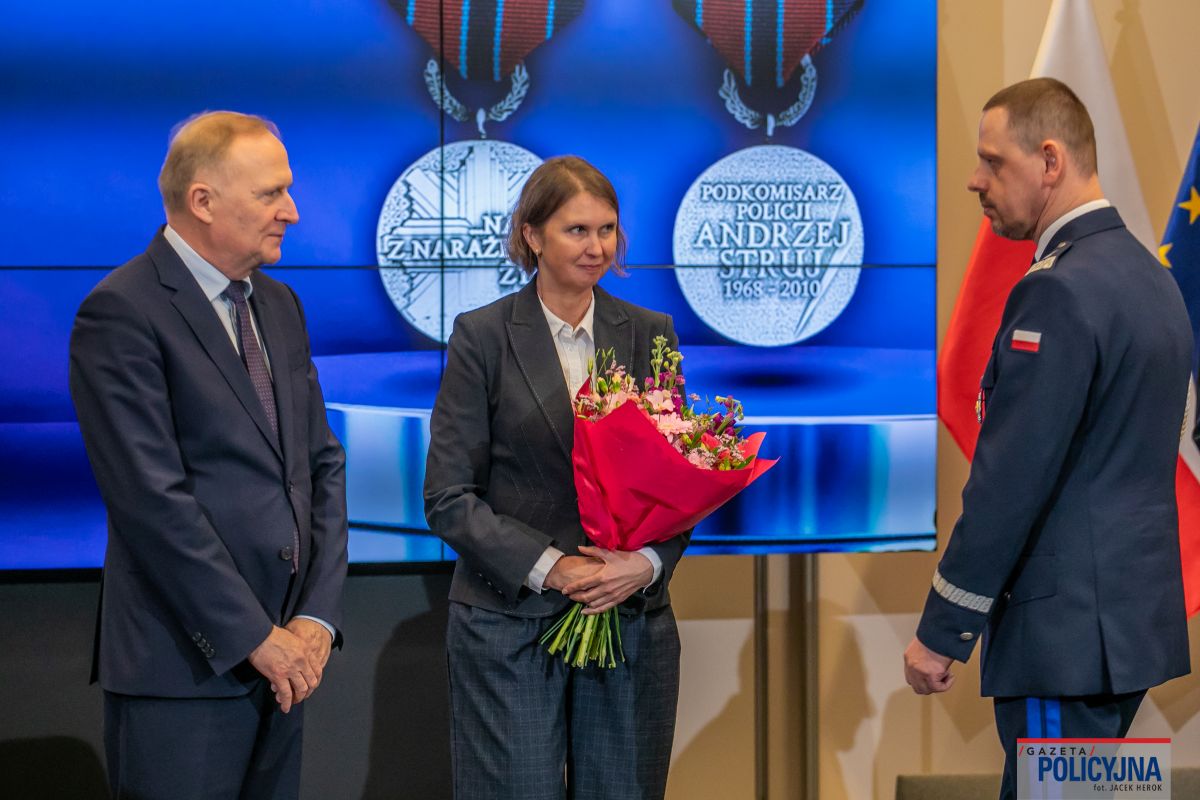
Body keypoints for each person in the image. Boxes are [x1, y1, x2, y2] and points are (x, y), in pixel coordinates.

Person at [903, 77, 1193, 798]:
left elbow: (1011, 480)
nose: (975, 180)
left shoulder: (1056, 289)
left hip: (1063, 639)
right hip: (1121, 633)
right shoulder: (1148, 276)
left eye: (993, 161)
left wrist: (943, 630)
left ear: (1051, 161)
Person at [69, 111, 348, 799]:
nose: (292, 211)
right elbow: (150, 502)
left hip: (289, 664)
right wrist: (255, 636)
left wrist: (315, 617)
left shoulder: (279, 305)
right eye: (271, 193)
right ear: (202, 201)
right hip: (184, 670)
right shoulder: (122, 311)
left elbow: (320, 466)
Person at [424, 155, 689, 799]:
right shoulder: (481, 336)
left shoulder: (651, 333)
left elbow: (684, 481)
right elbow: (449, 497)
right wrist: (553, 567)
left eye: (607, 230)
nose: (596, 247)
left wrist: (645, 564)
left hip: (627, 619)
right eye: (577, 230)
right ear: (532, 235)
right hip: (508, 622)